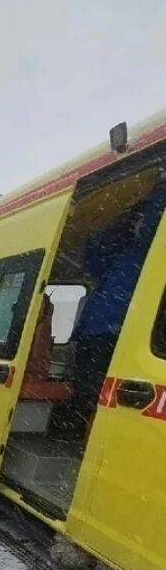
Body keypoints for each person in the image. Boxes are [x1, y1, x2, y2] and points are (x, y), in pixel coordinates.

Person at [71, 180, 166, 427]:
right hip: (97, 330)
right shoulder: (123, 252)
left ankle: (85, 430)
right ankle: (81, 428)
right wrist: (124, 219)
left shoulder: (147, 252)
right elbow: (92, 261)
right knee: (85, 392)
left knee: (94, 394)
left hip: (110, 331)